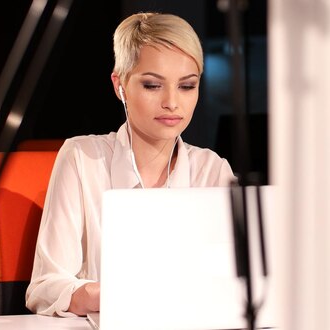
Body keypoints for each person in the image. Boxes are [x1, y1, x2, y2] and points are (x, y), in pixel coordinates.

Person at [25, 12, 235, 316]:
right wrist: (106, 294)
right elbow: (44, 288)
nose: (172, 103)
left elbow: (237, 286)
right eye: (152, 85)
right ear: (119, 85)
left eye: (187, 86)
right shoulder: (81, 159)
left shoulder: (213, 170)